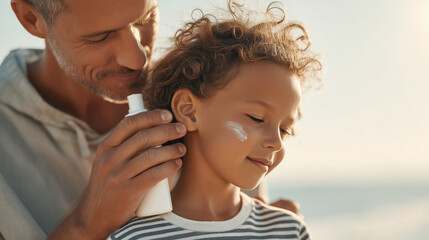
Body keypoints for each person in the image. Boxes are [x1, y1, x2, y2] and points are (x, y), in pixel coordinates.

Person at [0, 0, 301, 239]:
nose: (138, 59)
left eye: (144, 19)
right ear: (31, 18)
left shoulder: (211, 96)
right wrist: (87, 226)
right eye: (100, 37)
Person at [108, 1, 321, 239]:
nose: (276, 143)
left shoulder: (288, 230)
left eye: (284, 130)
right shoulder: (135, 236)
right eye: (257, 118)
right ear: (188, 110)